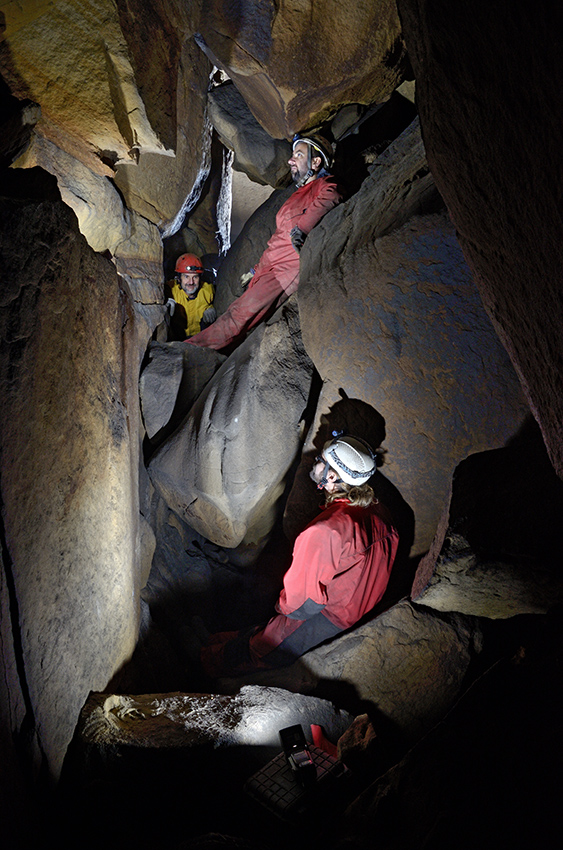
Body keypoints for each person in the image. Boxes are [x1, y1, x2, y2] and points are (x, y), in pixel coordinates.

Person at [201, 434, 399, 678]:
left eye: (321, 461)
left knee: (265, 648)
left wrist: (281, 606)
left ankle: (206, 661)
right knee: (266, 630)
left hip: (328, 615)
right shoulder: (379, 511)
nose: (315, 464)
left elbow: (302, 603)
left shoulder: (324, 531)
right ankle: (216, 640)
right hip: (359, 606)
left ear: (332, 476)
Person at [185, 133, 343, 352]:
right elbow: (278, 238)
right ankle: (209, 350)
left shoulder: (321, 186)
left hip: (284, 271)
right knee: (239, 312)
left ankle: (191, 348)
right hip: (269, 268)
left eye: (298, 155)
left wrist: (303, 228)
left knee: (239, 314)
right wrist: (255, 269)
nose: (291, 160)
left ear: (316, 162)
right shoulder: (298, 194)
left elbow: (332, 194)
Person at [166, 253, 217, 339]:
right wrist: (163, 304)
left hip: (199, 340)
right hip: (176, 340)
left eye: (195, 277)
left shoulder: (208, 291)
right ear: (179, 278)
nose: (191, 282)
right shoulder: (170, 290)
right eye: (186, 277)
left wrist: (211, 308)